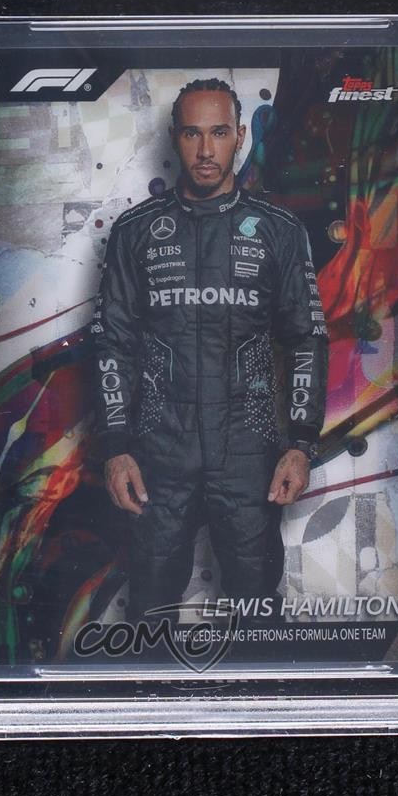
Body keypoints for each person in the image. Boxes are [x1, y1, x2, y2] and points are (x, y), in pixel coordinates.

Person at [90, 78, 328, 620]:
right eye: (192, 134)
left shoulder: (278, 231)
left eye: (219, 133)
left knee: (255, 610)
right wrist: (115, 448)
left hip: (248, 453)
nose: (205, 150)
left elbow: (307, 338)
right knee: (149, 611)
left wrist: (301, 444)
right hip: (158, 454)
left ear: (240, 136)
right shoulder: (136, 231)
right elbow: (111, 343)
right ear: (174, 138)